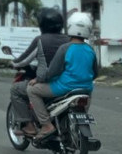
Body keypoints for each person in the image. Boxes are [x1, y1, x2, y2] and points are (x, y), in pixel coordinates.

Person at [27, 12, 98, 140]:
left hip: (64, 88)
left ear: (70, 26)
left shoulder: (65, 48)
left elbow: (52, 72)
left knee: (31, 90)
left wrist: (38, 79)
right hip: (86, 90)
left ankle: (46, 125)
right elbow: (95, 73)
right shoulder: (90, 50)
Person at [10, 8, 70, 137]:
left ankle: (30, 126)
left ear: (42, 25)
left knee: (16, 90)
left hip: (47, 84)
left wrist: (13, 63)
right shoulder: (69, 40)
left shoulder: (41, 40)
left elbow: (24, 60)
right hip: (67, 83)